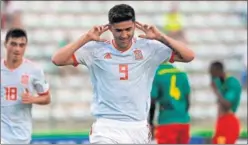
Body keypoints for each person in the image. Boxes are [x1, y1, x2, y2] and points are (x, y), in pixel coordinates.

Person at [52, 4, 194, 144]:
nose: (124, 35)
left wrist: (161, 37)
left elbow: (189, 56)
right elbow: (57, 60)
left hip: (138, 127)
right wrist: (86, 38)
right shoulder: (96, 49)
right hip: (106, 127)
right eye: (118, 30)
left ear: (134, 26)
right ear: (110, 28)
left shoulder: (149, 48)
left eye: (128, 29)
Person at [1, 28, 51, 144]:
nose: (17, 49)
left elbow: (47, 98)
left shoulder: (34, 70)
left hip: (21, 135)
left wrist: (33, 99)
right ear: (5, 44)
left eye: (21, 45)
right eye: (13, 44)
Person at [149, 62, 191, 144]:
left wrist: (151, 122)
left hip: (166, 121)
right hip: (184, 122)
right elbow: (188, 101)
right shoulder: (181, 73)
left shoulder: (157, 74)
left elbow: (152, 101)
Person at [209, 61, 242, 144]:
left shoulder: (232, 82)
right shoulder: (219, 81)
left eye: (213, 74)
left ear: (218, 71)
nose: (212, 77)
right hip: (221, 121)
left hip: (229, 122)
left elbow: (227, 104)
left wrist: (216, 91)